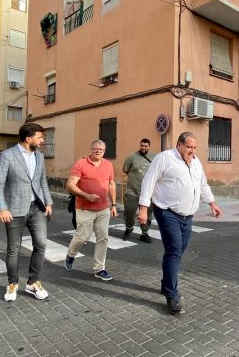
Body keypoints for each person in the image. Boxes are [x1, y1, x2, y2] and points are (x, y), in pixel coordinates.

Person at [138, 132, 223, 315]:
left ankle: (166, 282)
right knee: (174, 250)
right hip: (167, 212)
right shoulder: (165, 158)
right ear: (179, 144)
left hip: (188, 216)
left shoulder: (196, 162)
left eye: (194, 148)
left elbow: (203, 184)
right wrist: (143, 208)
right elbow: (148, 182)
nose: (191, 151)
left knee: (178, 251)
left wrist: (212, 203)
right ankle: (172, 294)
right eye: (188, 147)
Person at [0, 123, 54, 302]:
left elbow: (42, 182)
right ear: (28, 138)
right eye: (39, 137)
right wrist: (2, 207)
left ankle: (33, 282)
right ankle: (12, 283)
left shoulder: (40, 157)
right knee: (13, 249)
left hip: (37, 209)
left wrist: (48, 202)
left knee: (41, 245)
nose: (42, 141)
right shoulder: (7, 156)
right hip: (14, 210)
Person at [64, 140, 117, 281]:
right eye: (95, 149)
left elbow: (111, 184)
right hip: (84, 208)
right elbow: (70, 185)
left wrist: (114, 205)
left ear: (104, 151)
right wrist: (86, 196)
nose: (98, 151)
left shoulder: (108, 165)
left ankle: (99, 269)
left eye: (101, 149)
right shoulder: (81, 164)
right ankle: (71, 254)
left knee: (103, 238)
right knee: (83, 237)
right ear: (91, 149)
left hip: (103, 209)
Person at [121, 138, 157, 243]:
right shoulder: (131, 157)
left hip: (148, 193)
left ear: (149, 146)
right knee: (129, 212)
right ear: (139, 145)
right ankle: (129, 228)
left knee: (148, 214)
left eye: (145, 146)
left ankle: (144, 233)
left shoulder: (154, 157)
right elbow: (125, 170)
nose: (143, 148)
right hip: (132, 191)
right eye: (142, 145)